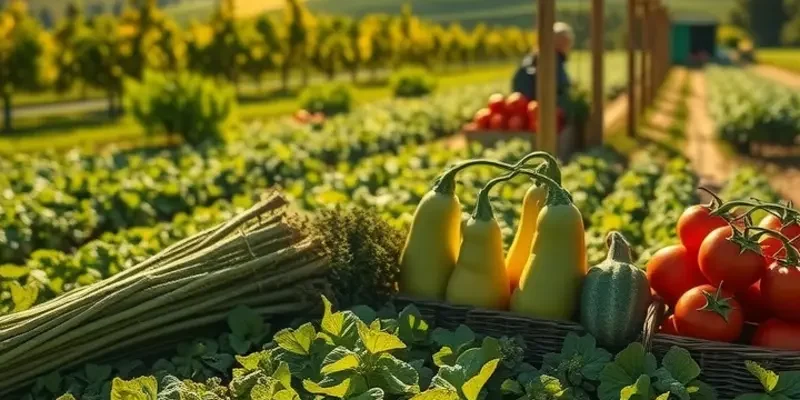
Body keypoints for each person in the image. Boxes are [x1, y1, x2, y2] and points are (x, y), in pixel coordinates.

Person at [511, 22, 574, 101]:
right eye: (568, 43)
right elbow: (562, 92)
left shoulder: (531, 59)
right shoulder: (553, 61)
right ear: (563, 42)